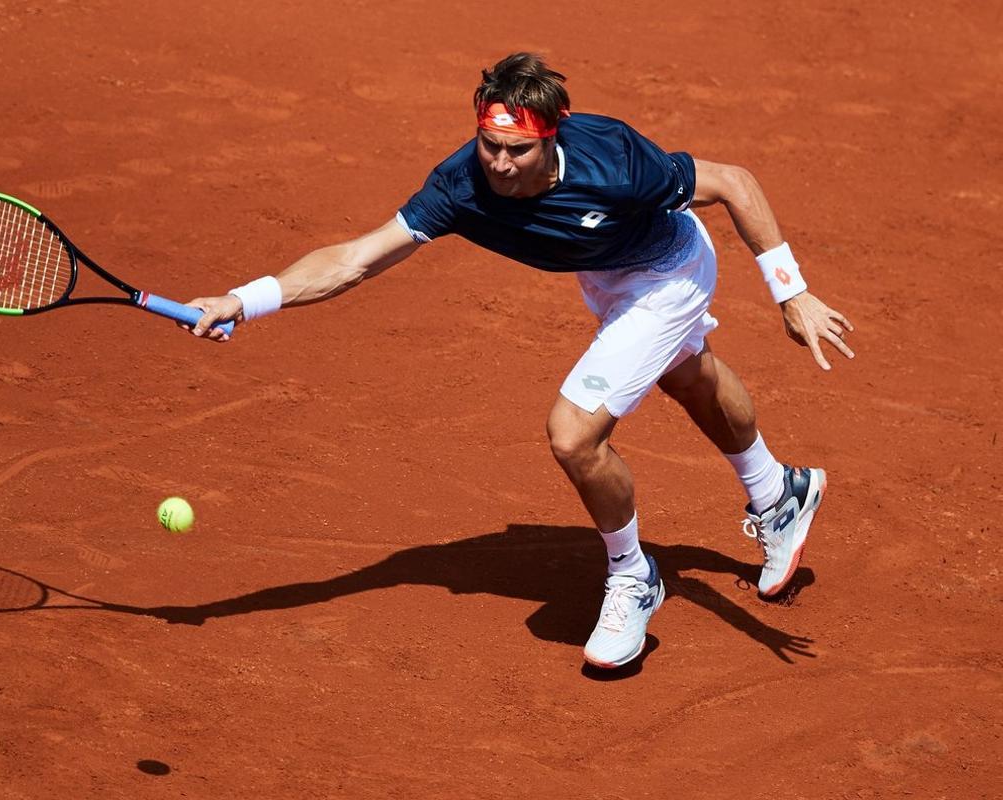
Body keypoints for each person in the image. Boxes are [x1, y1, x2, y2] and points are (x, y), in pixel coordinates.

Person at [181, 53, 854, 669]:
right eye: (489, 145)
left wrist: (791, 293)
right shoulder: (459, 185)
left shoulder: (615, 161)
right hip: (603, 275)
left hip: (668, 268)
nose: (499, 164)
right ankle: (780, 492)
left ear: (552, 136)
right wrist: (247, 299)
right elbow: (356, 259)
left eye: (517, 150)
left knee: (574, 433)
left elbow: (734, 182)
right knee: (685, 373)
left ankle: (632, 574)